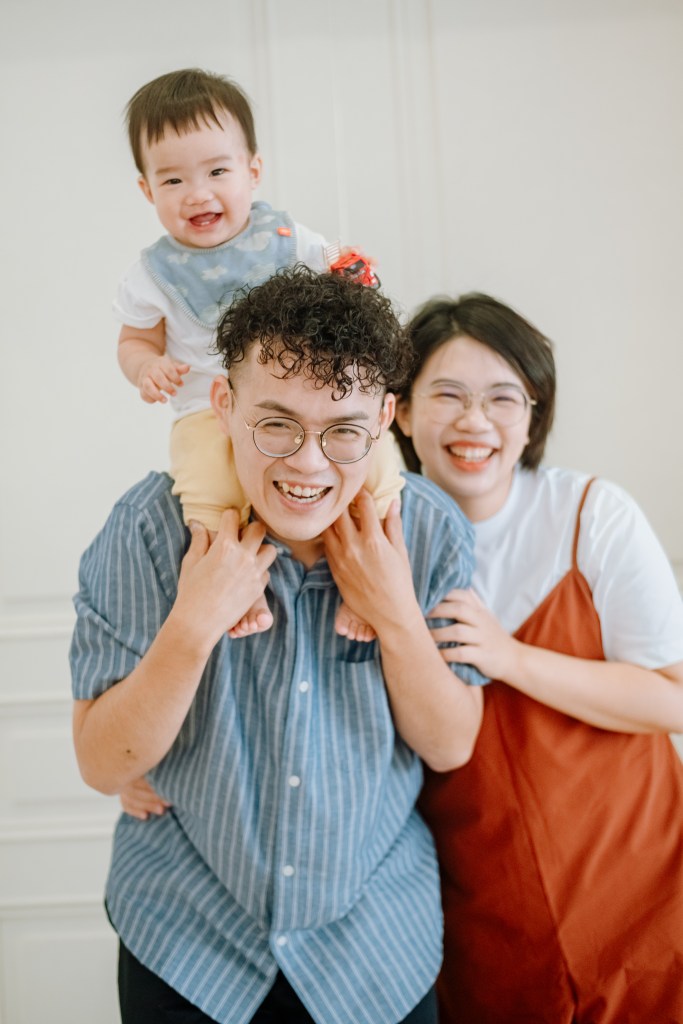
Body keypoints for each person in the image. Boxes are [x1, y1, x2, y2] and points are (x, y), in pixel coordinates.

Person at [70, 266, 486, 1024]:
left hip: (372, 948)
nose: (307, 463)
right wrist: (193, 623)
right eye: (276, 423)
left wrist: (395, 616)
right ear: (224, 406)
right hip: (185, 937)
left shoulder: (429, 532)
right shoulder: (146, 531)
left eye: (343, 431)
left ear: (384, 418)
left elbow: (450, 744)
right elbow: (102, 763)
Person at [392, 291, 683, 1024]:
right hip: (482, 920)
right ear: (401, 411)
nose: (474, 421)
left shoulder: (592, 513)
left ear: (533, 416)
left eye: (502, 397)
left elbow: (672, 698)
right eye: (447, 395)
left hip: (644, 895)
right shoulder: (374, 543)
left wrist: (509, 657)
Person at [116, 66, 403, 640]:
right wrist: (147, 366)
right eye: (172, 180)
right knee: (208, 493)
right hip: (203, 408)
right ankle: (233, 593)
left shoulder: (283, 238)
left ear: (253, 171)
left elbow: (336, 263)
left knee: (380, 474)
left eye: (217, 171)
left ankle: (377, 588)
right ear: (147, 190)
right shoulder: (153, 275)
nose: (198, 193)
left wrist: (352, 268)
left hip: (297, 400)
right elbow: (134, 340)